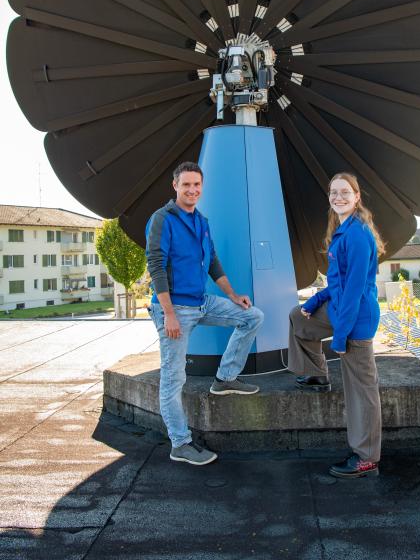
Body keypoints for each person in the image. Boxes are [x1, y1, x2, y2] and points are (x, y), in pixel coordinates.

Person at [146, 161, 264, 466]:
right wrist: (169, 314)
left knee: (252, 316)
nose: (192, 190)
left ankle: (224, 378)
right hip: (174, 310)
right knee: (173, 379)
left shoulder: (201, 221)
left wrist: (233, 296)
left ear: (202, 187)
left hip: (201, 302)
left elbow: (212, 261)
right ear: (175, 186)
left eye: (196, 185)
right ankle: (180, 443)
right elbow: (156, 266)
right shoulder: (163, 219)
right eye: (186, 184)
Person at [287, 172, 384, 479]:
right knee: (297, 318)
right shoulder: (342, 229)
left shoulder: (357, 235)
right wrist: (315, 302)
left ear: (357, 197)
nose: (338, 197)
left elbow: (355, 289)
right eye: (333, 192)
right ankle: (316, 375)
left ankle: (367, 457)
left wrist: (340, 337)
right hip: (339, 307)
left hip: (355, 319)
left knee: (361, 390)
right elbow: (339, 282)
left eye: (345, 192)